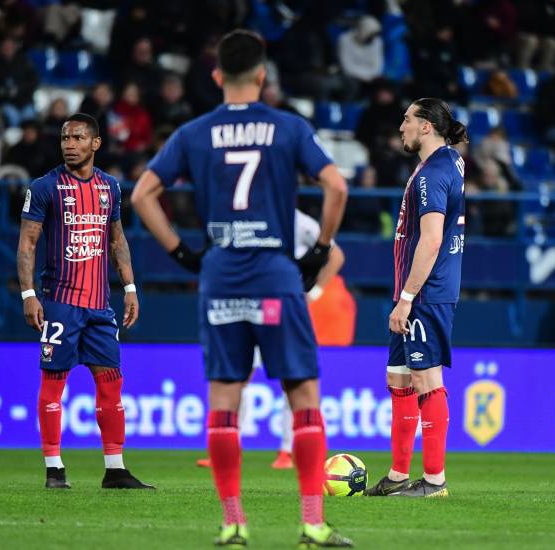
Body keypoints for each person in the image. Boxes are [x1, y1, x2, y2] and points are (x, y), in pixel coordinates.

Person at [131, 30, 352, 548]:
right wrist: (320, 249)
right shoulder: (287, 127)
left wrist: (183, 253)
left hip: (220, 275)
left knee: (225, 401)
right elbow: (337, 186)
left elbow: (143, 193)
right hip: (276, 274)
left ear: (215, 77)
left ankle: (233, 523)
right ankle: (312, 524)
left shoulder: (193, 132)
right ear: (261, 75)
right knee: (302, 396)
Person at [16, 112, 153, 491]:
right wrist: (29, 294)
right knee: (53, 383)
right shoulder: (45, 187)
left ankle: (115, 469)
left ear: (95, 144)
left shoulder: (110, 187)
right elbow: (27, 242)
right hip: (59, 301)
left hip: (100, 306)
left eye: (77, 138)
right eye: (64, 138)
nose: (69, 145)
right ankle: (54, 470)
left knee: (111, 383)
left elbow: (117, 240)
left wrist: (129, 287)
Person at [365, 98, 467, 498]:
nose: (401, 125)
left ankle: (435, 481)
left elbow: (432, 238)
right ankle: (397, 475)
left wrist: (407, 297)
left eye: (407, 119)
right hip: (417, 290)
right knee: (400, 378)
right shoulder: (448, 163)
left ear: (427, 126)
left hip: (425, 292)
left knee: (426, 377)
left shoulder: (434, 173)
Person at [195, 209, 346, 471]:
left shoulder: (299, 220)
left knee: (293, 381)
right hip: (250, 304)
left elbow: (336, 254)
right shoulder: (244, 214)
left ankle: (287, 452)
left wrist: (315, 290)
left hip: (282, 307)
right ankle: (230, 447)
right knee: (238, 380)